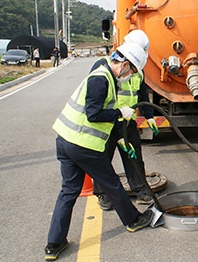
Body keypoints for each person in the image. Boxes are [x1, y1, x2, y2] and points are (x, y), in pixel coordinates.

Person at [45, 42, 151, 261]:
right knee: (112, 183)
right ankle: (132, 220)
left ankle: (54, 244)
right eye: (131, 69)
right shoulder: (100, 79)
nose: (130, 74)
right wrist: (119, 112)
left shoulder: (107, 78)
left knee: (68, 191)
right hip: (83, 145)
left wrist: (122, 138)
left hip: (66, 140)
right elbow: (94, 114)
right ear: (124, 64)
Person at [90, 29, 159, 211]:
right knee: (103, 159)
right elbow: (94, 100)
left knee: (134, 156)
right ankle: (103, 194)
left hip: (128, 122)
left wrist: (149, 117)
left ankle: (140, 189)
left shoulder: (137, 69)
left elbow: (142, 94)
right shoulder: (103, 66)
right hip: (108, 122)